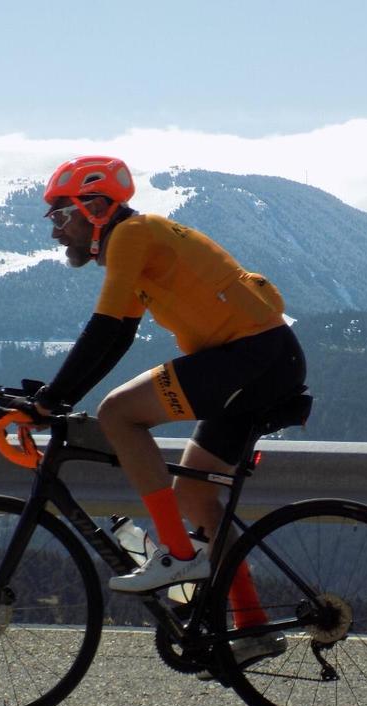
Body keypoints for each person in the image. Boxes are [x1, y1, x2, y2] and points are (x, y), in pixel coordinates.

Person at [31, 155, 307, 665]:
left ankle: (179, 558)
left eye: (60, 216)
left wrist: (50, 400)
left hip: (250, 358)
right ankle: (251, 626)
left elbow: (105, 328)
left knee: (118, 415)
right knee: (195, 496)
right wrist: (56, 397)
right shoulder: (138, 244)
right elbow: (119, 335)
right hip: (263, 360)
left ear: (94, 207)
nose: (56, 232)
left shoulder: (132, 237)